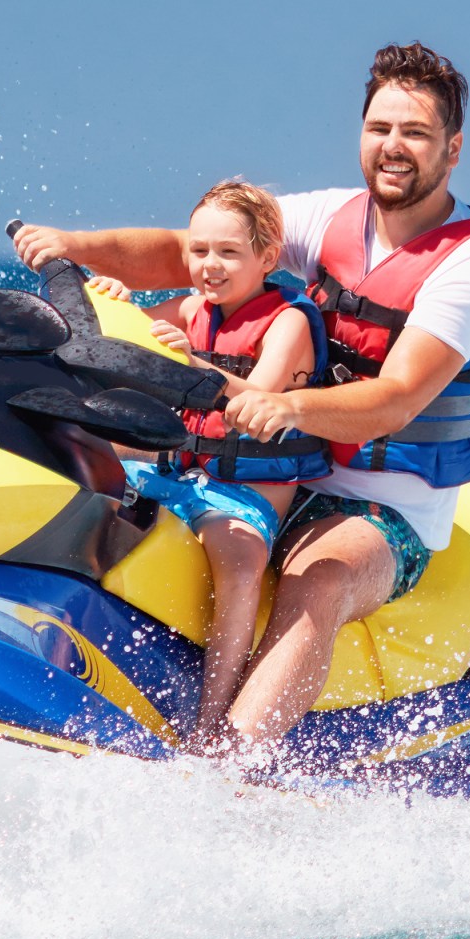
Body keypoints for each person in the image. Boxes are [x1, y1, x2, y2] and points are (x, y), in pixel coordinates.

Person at [12, 42, 470, 755]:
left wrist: (289, 407)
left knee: (316, 580)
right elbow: (187, 247)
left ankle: (231, 768)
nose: (393, 147)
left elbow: (398, 398)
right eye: (380, 129)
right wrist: (74, 245)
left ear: (452, 149)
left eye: (415, 133)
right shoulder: (326, 218)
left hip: (380, 499)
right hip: (265, 465)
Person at [83, 180, 325, 747]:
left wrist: (189, 362)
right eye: (198, 251)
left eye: (228, 253)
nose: (209, 266)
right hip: (174, 473)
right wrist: (113, 300)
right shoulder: (192, 307)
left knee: (239, 559)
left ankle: (212, 722)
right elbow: (118, 338)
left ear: (267, 257)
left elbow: (255, 403)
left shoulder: (288, 320)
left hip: (244, 493)